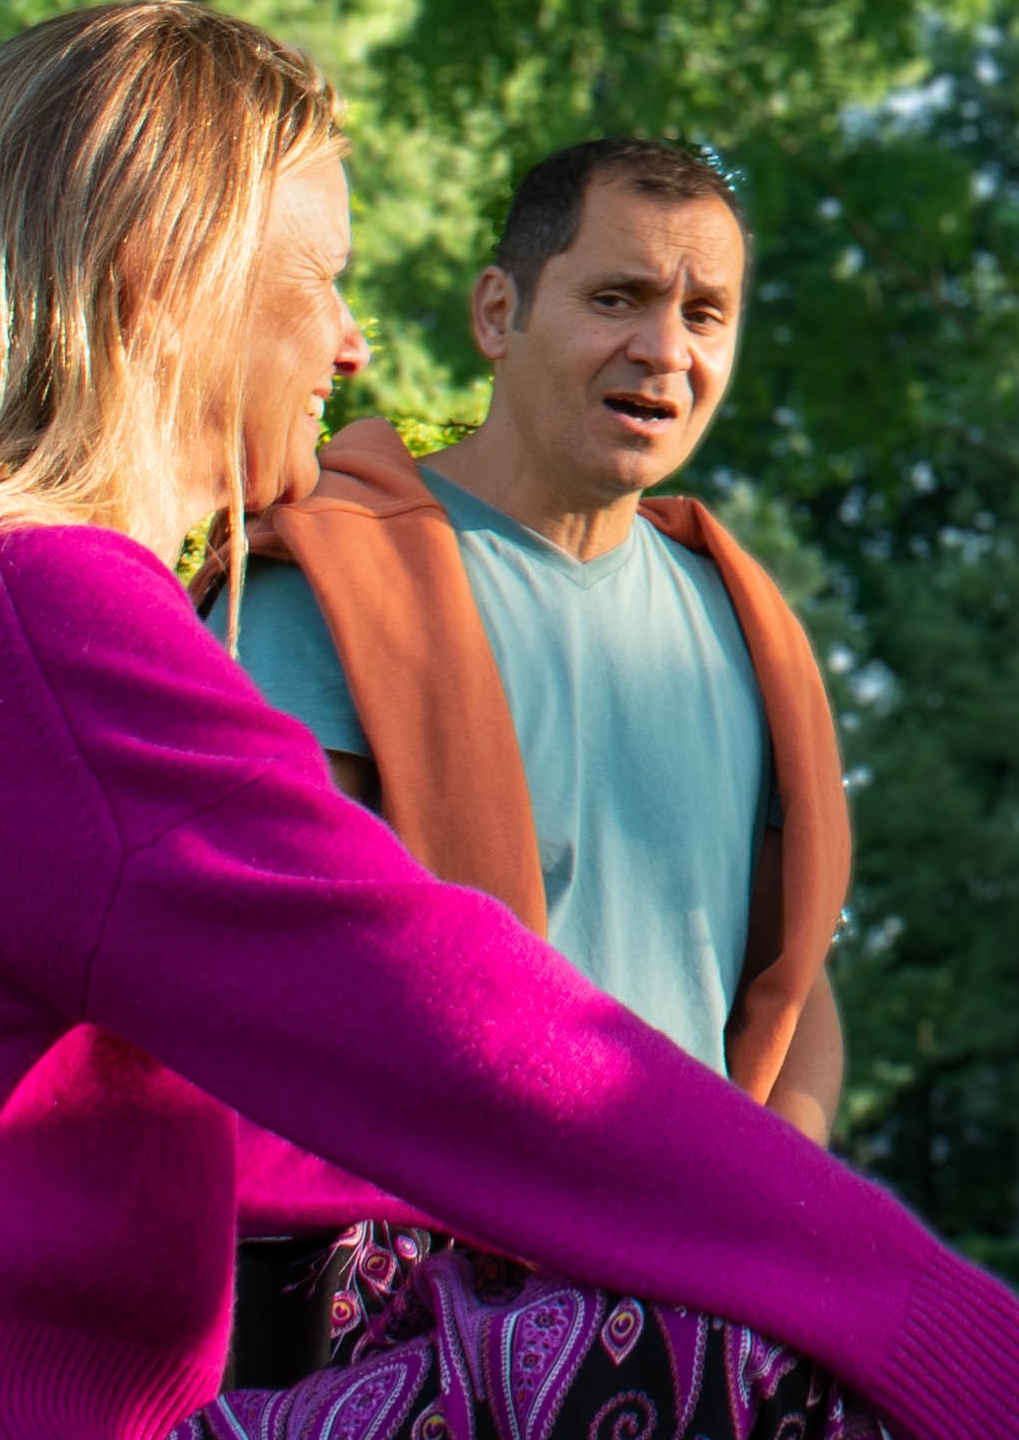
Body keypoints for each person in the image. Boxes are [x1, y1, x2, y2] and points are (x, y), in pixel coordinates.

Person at [0, 1, 1019, 1440]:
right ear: (172, 273)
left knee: (559, 1285)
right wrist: (946, 1330)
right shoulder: (29, 612)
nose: (353, 347)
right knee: (760, 1368)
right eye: (323, 277)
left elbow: (257, 1110)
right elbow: (440, 1014)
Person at [210, 137, 853, 1385]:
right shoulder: (327, 589)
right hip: (411, 1328)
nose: (664, 350)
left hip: (699, 1314)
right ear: (498, 312)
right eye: (616, 298)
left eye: (702, 312)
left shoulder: (745, 624)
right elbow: (272, 986)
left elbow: (790, 982)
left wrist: (783, 1219)